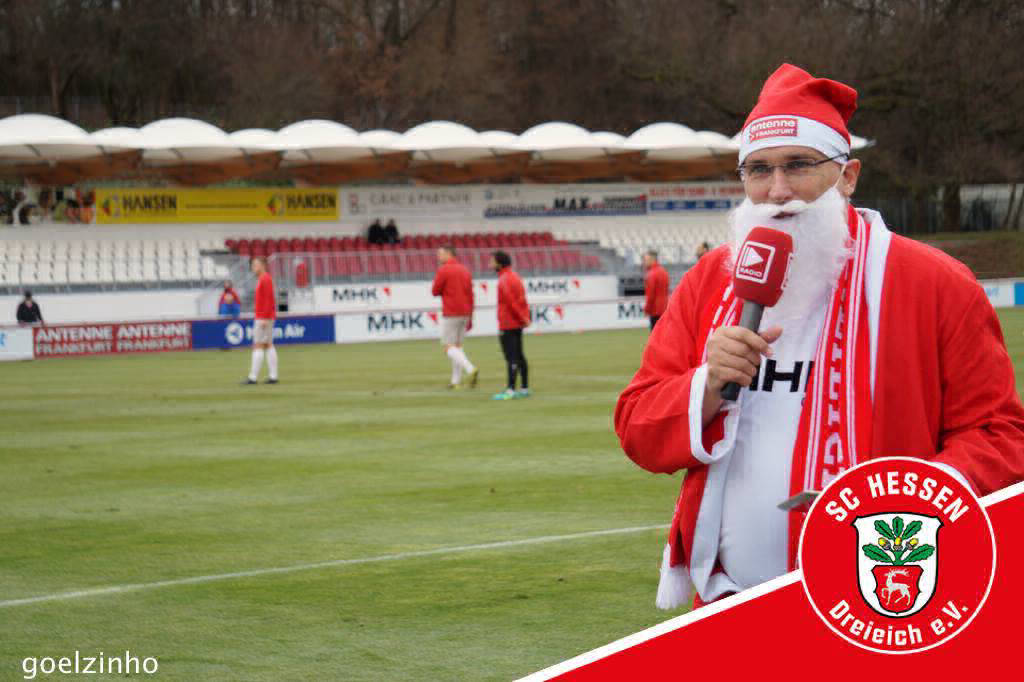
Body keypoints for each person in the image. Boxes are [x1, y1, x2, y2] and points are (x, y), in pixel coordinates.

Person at [614, 63, 1024, 611]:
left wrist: (907, 497)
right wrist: (706, 386)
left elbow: (1001, 437)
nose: (778, 191)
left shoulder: (936, 284)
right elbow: (637, 425)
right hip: (726, 604)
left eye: (799, 165)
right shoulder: (710, 281)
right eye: (759, 170)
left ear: (848, 176)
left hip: (878, 601)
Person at [431, 245, 478, 389]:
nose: (438, 257)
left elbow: (435, 291)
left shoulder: (444, 270)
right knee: (457, 347)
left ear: (448, 254)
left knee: (448, 347)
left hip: (451, 312)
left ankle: (470, 368)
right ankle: (455, 381)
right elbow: (471, 294)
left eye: (440, 254)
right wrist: (471, 315)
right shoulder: (465, 270)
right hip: (465, 312)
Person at [490, 251, 531, 400]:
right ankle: (524, 388)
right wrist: (525, 318)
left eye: (492, 261)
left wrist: (522, 317)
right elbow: (522, 300)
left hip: (508, 323)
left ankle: (510, 390)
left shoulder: (504, 279)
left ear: (499, 263)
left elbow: (511, 302)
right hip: (516, 323)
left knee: (511, 357)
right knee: (519, 355)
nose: (490, 264)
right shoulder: (515, 276)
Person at [243, 257, 278, 385]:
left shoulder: (265, 279)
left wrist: (264, 317)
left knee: (258, 345)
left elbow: (269, 299)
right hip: (264, 317)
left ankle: (253, 377)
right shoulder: (263, 279)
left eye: (255, 265)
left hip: (263, 318)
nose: (253, 267)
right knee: (268, 344)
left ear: (263, 265)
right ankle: (273, 376)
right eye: (253, 265)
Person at [642, 250, 669, 330]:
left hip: (655, 310)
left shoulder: (651, 274)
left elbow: (650, 295)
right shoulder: (664, 272)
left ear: (652, 259)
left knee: (654, 334)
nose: (644, 262)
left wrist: (647, 309)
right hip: (664, 308)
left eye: (646, 260)